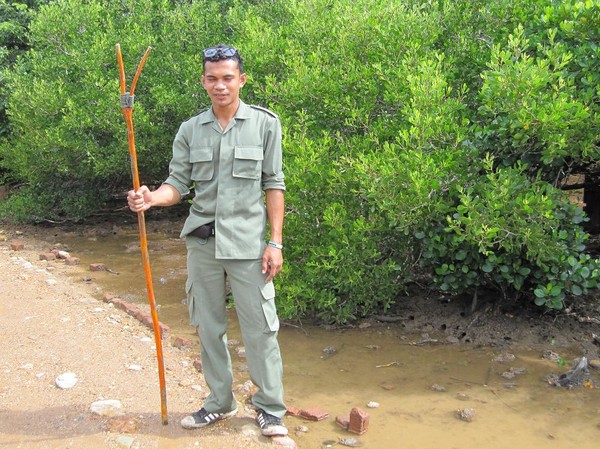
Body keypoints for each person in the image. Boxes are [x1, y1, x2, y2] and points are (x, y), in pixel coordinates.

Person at [127, 44, 288, 437]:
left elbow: (274, 184)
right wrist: (151, 199)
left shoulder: (266, 124)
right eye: (212, 78)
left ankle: (270, 407)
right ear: (203, 81)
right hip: (202, 244)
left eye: (227, 78)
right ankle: (219, 402)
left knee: (260, 328)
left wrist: (276, 242)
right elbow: (177, 185)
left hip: (250, 246)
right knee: (208, 326)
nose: (220, 86)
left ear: (241, 80)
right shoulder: (189, 129)